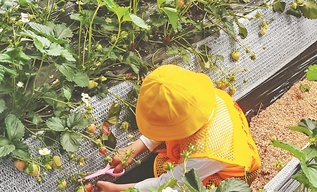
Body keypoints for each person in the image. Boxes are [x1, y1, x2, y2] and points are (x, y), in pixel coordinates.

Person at [93, 65, 261, 192]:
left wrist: (121, 189)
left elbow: (169, 183)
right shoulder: (205, 96)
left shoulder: (207, 154)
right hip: (235, 149)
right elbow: (171, 119)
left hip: (230, 176)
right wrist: (135, 147)